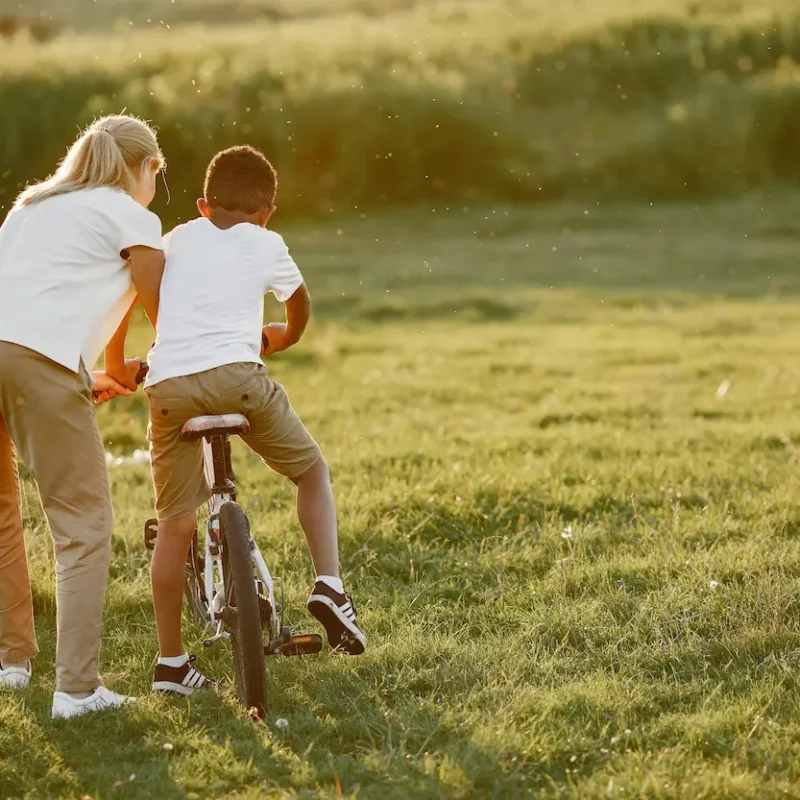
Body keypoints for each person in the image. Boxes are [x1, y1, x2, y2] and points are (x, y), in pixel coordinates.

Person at [144, 145, 365, 696]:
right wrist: (281, 338)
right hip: (241, 381)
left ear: (201, 205)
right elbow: (299, 306)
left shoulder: (173, 239)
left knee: (174, 526)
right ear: (268, 211)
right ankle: (330, 586)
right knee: (311, 472)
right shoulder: (267, 242)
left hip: (169, 387)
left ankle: (171, 663)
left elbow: (150, 290)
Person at [0, 114, 165, 719]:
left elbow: (32, 295)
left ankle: (11, 663)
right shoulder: (132, 214)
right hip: (38, 364)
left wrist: (96, 370)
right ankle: (76, 691)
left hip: (13, 356)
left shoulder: (30, 206)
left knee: (1, 517)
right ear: (145, 168)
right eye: (156, 174)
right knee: (83, 525)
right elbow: (157, 302)